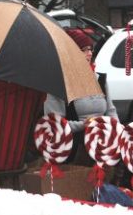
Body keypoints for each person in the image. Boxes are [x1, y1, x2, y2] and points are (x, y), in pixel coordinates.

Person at [44, 28, 118, 165]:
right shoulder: (60, 83)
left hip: (102, 144)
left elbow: (111, 110)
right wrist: (82, 125)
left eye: (90, 49)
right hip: (74, 149)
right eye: (83, 50)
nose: (89, 53)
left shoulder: (99, 79)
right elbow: (54, 123)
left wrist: (116, 131)